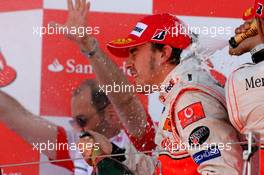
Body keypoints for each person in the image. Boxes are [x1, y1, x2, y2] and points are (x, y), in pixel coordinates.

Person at [57, 0, 244, 174]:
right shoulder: (177, 96)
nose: (128, 64)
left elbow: (224, 171)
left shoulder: (189, 99)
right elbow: (160, 170)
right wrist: (113, 150)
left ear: (164, 53)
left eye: (134, 53)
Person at [0, 79, 155, 175]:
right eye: (74, 122)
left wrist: (91, 49)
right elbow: (16, 116)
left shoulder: (142, 137)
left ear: (110, 113)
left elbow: (127, 100)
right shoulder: (76, 144)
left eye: (81, 120)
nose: (79, 129)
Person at [227, 1, 264, 174]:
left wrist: (256, 46)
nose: (243, 28)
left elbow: (239, 124)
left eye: (252, 22)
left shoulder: (240, 78)